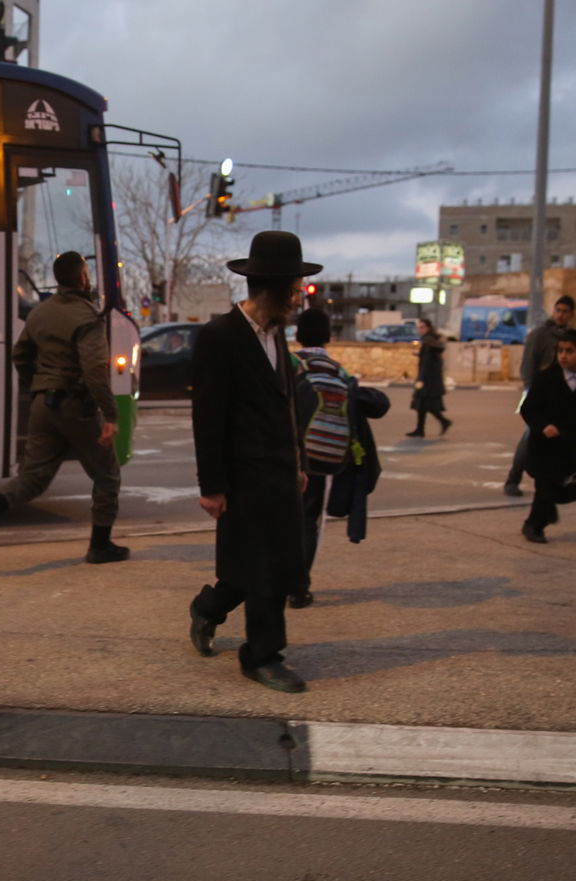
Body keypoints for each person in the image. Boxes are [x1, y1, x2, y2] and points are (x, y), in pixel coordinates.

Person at [188, 231, 319, 693]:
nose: (301, 293)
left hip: (280, 474)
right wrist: (212, 485)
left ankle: (207, 609)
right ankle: (261, 656)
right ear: (278, 286)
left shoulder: (277, 335)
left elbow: (285, 406)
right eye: (296, 285)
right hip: (243, 478)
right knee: (265, 568)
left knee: (266, 565)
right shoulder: (220, 337)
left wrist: (299, 462)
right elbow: (207, 416)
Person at [0, 251, 127, 564]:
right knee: (107, 476)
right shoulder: (87, 317)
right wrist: (110, 414)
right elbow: (94, 370)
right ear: (82, 278)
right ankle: (100, 546)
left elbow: (20, 354)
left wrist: (36, 385)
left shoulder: (39, 313)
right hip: (76, 407)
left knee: (33, 477)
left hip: (43, 404)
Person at [290, 307, 390, 609]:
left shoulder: (290, 365)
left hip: (290, 456)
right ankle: (299, 587)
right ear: (330, 337)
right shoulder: (338, 370)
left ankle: (279, 579)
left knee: (283, 519)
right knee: (309, 521)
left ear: (296, 335)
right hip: (323, 458)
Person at [505, 295, 575, 496]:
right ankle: (513, 479)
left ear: (571, 314)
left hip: (563, 398)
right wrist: (529, 389)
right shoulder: (540, 335)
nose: (561, 315)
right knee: (530, 435)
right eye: (558, 310)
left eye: (565, 311)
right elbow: (528, 364)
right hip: (539, 394)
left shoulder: (570, 337)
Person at [519, 328, 576, 543]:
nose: (563, 355)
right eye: (560, 351)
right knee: (546, 487)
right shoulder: (546, 378)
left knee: (560, 491)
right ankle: (534, 526)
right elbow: (528, 409)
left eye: (569, 351)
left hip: (569, 446)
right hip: (546, 447)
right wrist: (543, 426)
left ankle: (549, 506)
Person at [405, 318, 451, 438]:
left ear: (428, 328)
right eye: (419, 327)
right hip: (429, 379)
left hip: (427, 380)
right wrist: (420, 354)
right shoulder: (429, 341)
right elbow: (430, 357)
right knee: (422, 405)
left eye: (422, 327)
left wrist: (421, 379)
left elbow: (427, 362)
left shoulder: (429, 341)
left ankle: (443, 422)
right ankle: (421, 429)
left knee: (427, 405)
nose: (420, 330)